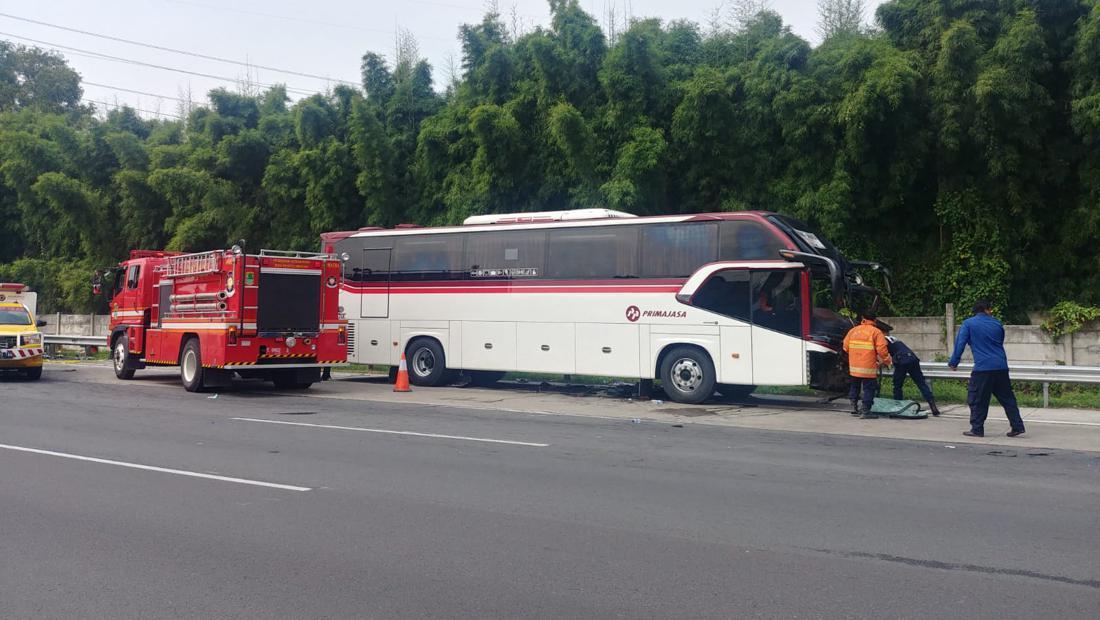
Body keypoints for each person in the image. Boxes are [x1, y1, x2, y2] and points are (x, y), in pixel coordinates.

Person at [949, 300, 1026, 437]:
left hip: (983, 368)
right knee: (1008, 399)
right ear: (986, 309)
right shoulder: (997, 323)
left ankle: (977, 429)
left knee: (977, 399)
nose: (991, 312)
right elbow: (999, 341)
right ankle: (1017, 426)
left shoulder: (968, 324)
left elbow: (960, 343)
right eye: (990, 309)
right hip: (1001, 367)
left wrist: (954, 362)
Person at [843, 311, 892, 419]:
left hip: (854, 366)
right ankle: (865, 411)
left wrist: (855, 355)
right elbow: (882, 350)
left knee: (855, 385)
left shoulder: (853, 331)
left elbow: (845, 347)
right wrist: (888, 361)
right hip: (868, 367)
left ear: (862, 318)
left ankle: (854, 407)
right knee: (869, 388)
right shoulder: (876, 332)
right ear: (874, 320)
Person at [882, 328, 941, 416]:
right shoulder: (893, 338)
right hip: (912, 358)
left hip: (901, 359)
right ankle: (933, 406)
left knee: (897, 385)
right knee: (921, 383)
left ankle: (898, 407)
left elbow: (883, 353)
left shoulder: (883, 340)